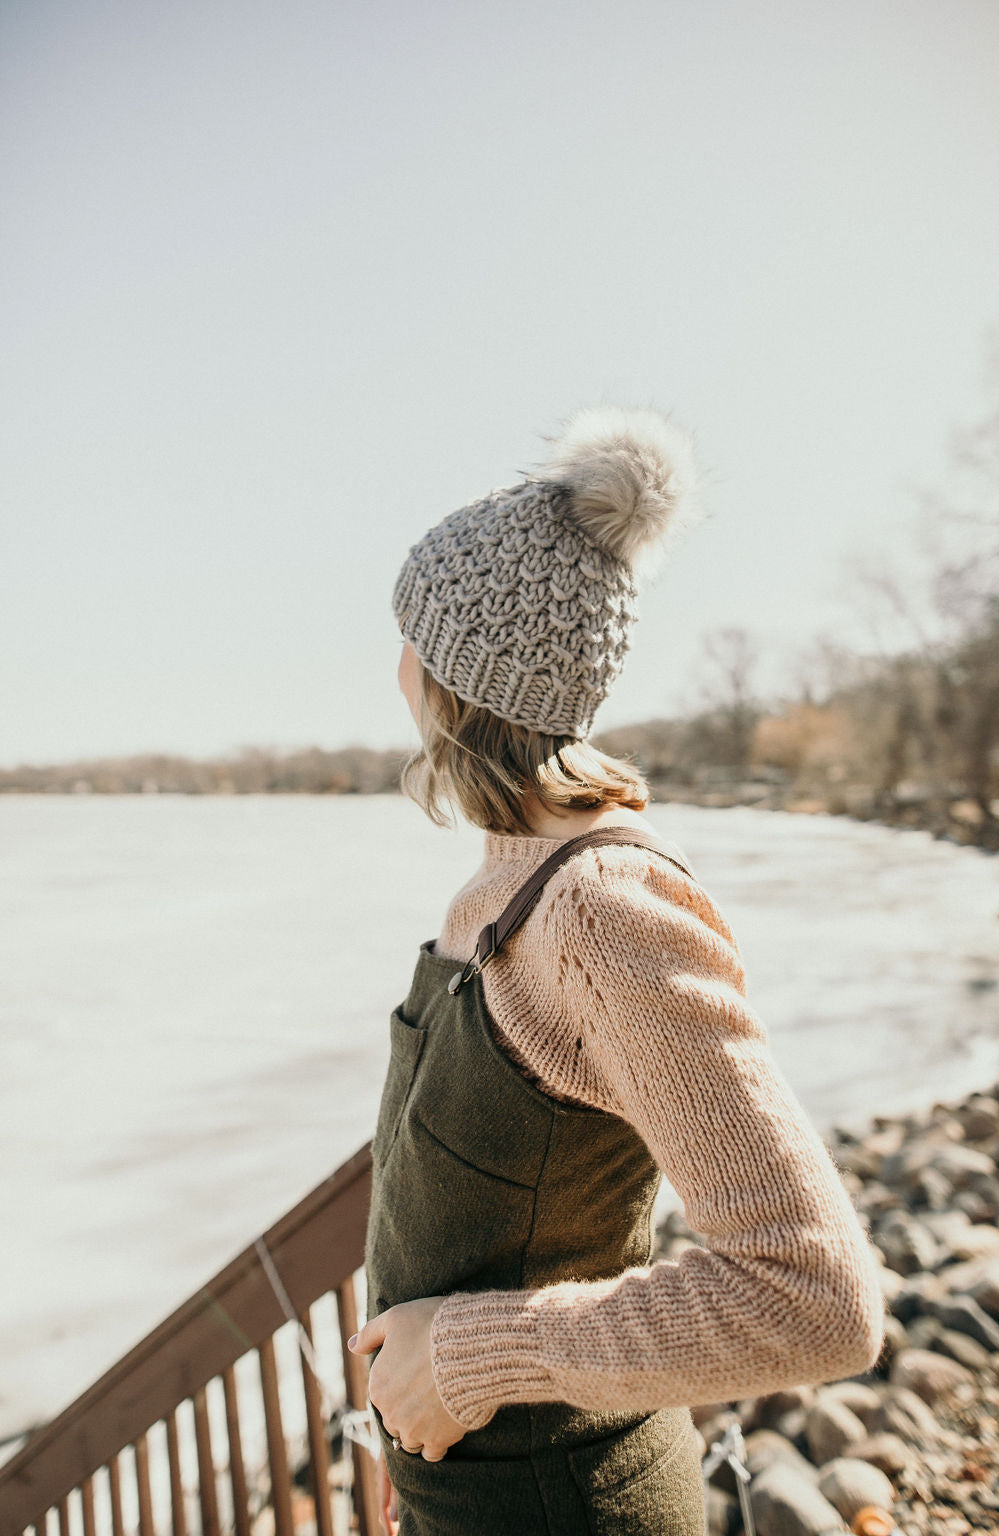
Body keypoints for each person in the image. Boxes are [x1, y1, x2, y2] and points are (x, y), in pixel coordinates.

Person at [347, 406, 886, 1535]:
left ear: (456, 679)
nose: (394, 664)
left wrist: (469, 1358)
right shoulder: (499, 884)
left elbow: (815, 1297)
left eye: (410, 635)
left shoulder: (605, 911)